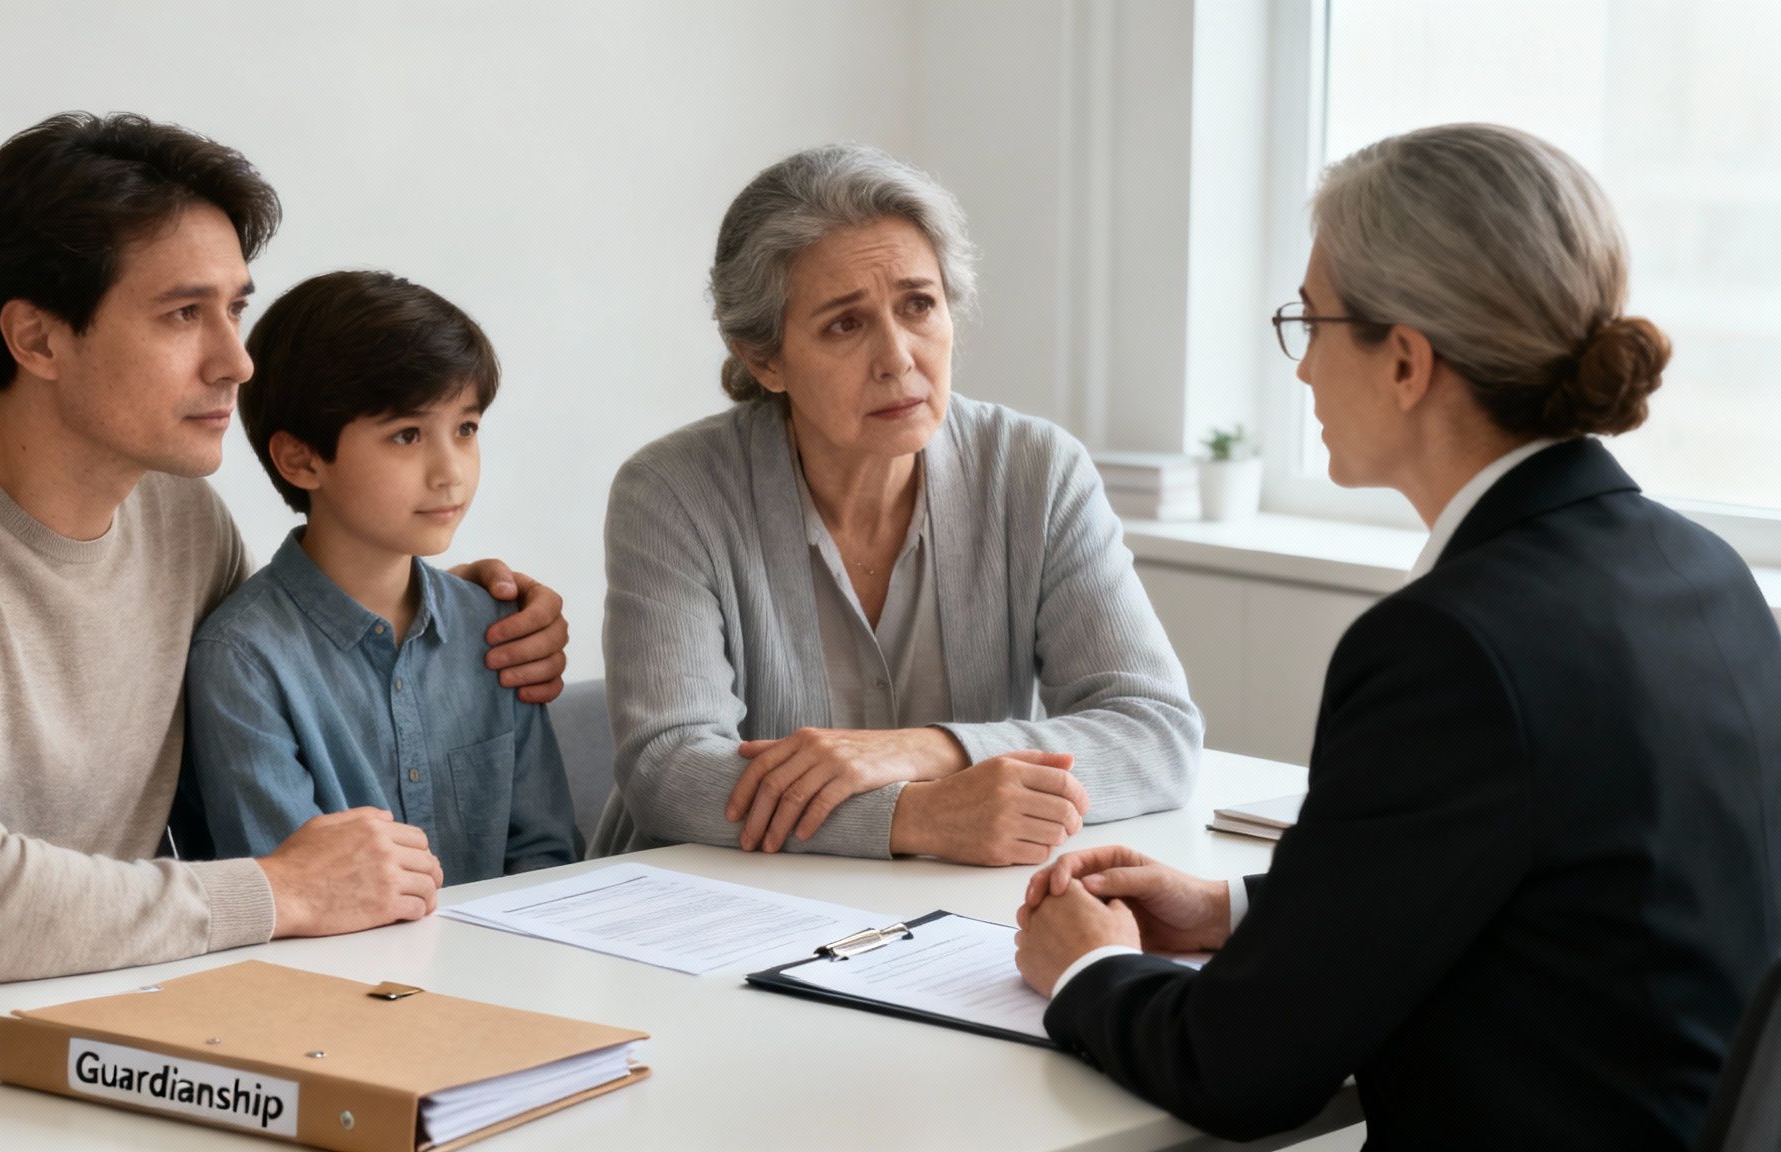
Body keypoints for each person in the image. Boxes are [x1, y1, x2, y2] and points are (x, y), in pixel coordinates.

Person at [1014, 123, 1781, 1148]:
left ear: (1406, 361)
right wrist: (1234, 911)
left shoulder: (1448, 646)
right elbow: (1550, 886)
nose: (1299, 371)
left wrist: (1085, 966)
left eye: (1310, 322)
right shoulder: (1697, 569)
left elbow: (1238, 1070)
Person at [0, 113, 572, 1008]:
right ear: (38, 339)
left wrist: (458, 608)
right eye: (182, 315)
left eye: (235, 309)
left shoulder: (179, 517)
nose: (238, 362)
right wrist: (282, 889)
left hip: (96, 1022)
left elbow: (288, 659)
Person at [593, 144, 1202, 866]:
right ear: (765, 359)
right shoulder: (672, 491)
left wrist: (931, 750)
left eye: (919, 305)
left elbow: (1156, 733)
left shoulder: (1037, 471)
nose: (898, 357)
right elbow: (670, 771)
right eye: (845, 325)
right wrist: (914, 817)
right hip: (701, 913)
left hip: (943, 920)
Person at [181, 270, 579, 884]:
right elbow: (293, 892)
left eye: (466, 429)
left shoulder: (497, 629)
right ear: (301, 458)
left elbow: (546, 855)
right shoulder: (243, 661)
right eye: (407, 435)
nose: (450, 472)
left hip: (503, 971)